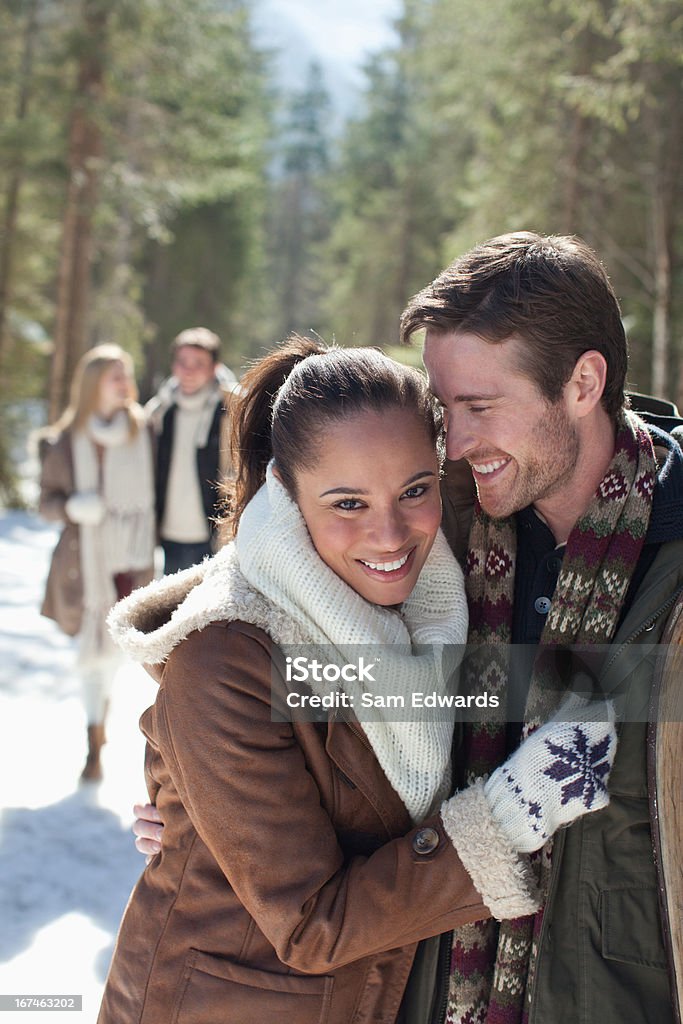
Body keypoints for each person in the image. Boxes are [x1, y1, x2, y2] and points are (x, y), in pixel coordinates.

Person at [99, 337, 615, 1024]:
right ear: (285, 493)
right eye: (347, 504)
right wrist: (511, 811)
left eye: (414, 490)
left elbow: (550, 434)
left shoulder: (433, 602)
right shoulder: (227, 657)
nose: (390, 534)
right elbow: (312, 923)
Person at [399, 231, 683, 1024]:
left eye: (480, 408)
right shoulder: (433, 530)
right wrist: (204, 768)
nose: (455, 444)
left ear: (582, 382)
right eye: (444, 408)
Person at [38, 344, 156, 781]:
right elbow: (45, 503)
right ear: (93, 385)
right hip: (84, 566)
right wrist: (72, 507)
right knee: (94, 657)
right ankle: (95, 737)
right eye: (115, 374)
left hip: (131, 563)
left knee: (112, 658)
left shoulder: (145, 431)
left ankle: (99, 724)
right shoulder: (67, 441)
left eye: (127, 372)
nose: (125, 381)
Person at [145, 326, 239, 574]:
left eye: (198, 363)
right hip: (168, 534)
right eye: (182, 361)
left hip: (216, 537)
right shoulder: (158, 412)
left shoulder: (234, 411)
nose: (188, 371)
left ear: (215, 368)